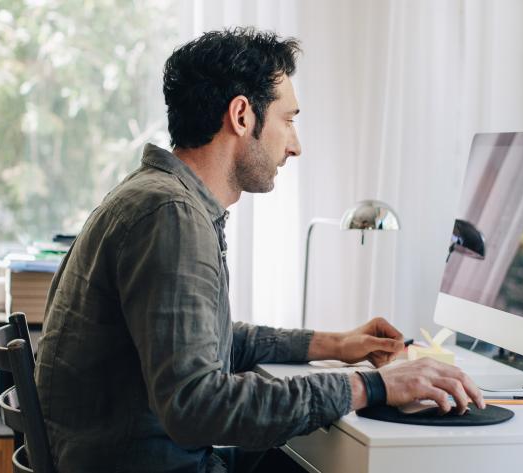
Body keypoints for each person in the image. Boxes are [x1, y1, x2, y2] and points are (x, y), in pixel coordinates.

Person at [35, 27, 485, 473]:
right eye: (288, 121)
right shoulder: (170, 215)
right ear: (242, 116)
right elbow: (198, 406)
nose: (295, 145)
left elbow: (213, 341)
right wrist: (373, 386)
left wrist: (335, 344)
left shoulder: (158, 197)